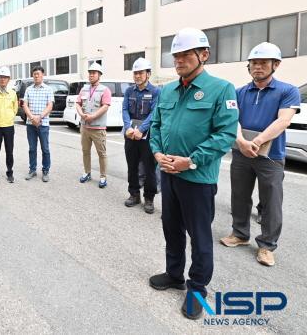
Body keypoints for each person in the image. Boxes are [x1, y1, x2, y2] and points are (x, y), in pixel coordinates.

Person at [148, 28, 238, 320]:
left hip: (197, 179)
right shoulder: (168, 90)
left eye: (186, 54)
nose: (179, 60)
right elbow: (158, 126)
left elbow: (225, 134)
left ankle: (197, 288)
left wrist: (191, 161)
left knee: (200, 237)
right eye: (176, 55)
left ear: (204, 55)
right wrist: (158, 153)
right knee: (171, 228)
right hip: (169, 174)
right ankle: (174, 274)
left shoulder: (221, 89)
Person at [220, 42, 300, 267]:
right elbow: (231, 118)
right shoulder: (239, 92)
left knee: (271, 201)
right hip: (241, 152)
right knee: (240, 195)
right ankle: (240, 234)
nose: (258, 67)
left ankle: (266, 245)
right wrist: (241, 142)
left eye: (263, 62)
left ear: (276, 64)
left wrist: (256, 141)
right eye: (254, 63)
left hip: (271, 156)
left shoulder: (287, 90)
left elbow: (283, 120)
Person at [122, 58, 160, 213]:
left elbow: (155, 112)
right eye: (135, 73)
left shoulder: (156, 91)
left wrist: (141, 129)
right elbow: (124, 109)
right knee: (132, 167)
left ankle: (149, 198)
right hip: (131, 135)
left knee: (150, 169)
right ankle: (134, 194)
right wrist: (128, 127)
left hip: (147, 137)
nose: (137, 76)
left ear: (148, 74)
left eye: (140, 73)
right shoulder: (129, 91)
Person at [75, 62, 111, 188]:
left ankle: (103, 176)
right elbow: (78, 103)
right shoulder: (84, 89)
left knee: (102, 153)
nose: (91, 75)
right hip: (85, 127)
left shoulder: (105, 90)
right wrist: (81, 114)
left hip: (98, 128)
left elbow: (105, 106)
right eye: (90, 73)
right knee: (85, 151)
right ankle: (87, 172)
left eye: (94, 73)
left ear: (99, 75)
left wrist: (92, 116)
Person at [22, 65, 54, 182]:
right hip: (30, 124)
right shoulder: (28, 89)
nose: (36, 76)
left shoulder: (48, 89)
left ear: (42, 75)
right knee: (32, 148)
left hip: (43, 124)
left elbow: (50, 105)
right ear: (32, 75)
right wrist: (31, 117)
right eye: (34, 74)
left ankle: (45, 171)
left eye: (38, 74)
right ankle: (32, 170)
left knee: (45, 148)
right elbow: (24, 104)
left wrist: (39, 117)